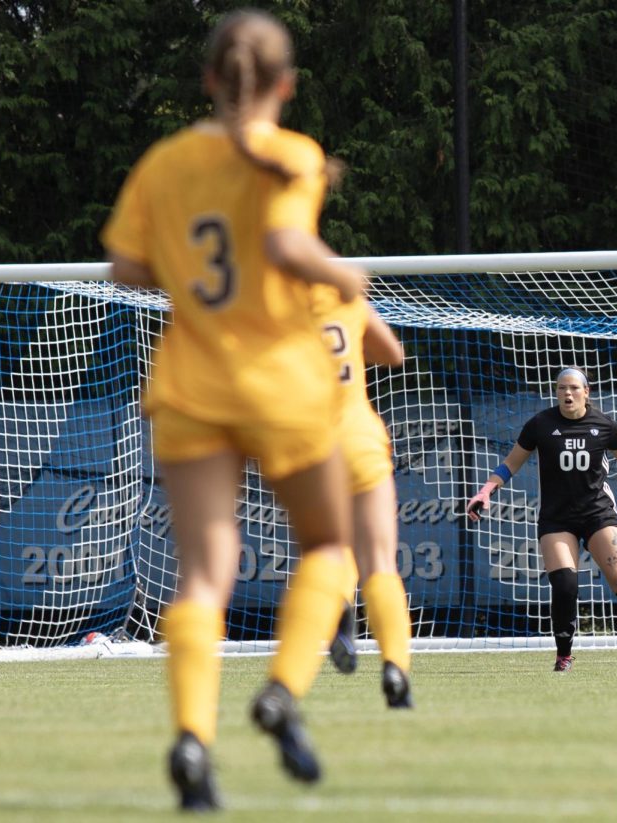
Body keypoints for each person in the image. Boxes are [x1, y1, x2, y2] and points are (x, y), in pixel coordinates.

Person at [102, 9, 366, 811]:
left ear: (211, 78)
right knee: (327, 544)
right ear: (285, 85)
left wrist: (186, 278)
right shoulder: (292, 154)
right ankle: (283, 691)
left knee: (203, 578)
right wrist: (346, 276)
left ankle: (191, 737)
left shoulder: (167, 160)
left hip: (190, 385)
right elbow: (288, 247)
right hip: (281, 383)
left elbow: (126, 266)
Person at [465, 367, 617, 672]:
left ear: (586, 392)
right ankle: (564, 656)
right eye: (561, 388)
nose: (566, 393)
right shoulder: (541, 425)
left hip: (598, 513)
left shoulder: (604, 425)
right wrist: (485, 491)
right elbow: (511, 463)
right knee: (566, 584)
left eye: (573, 388)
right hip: (557, 518)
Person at [312, 286, 415, 708]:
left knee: (331, 551)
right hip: (359, 437)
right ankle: (395, 666)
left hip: (310, 442)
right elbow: (392, 354)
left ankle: (338, 611)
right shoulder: (343, 298)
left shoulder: (272, 306)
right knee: (380, 562)